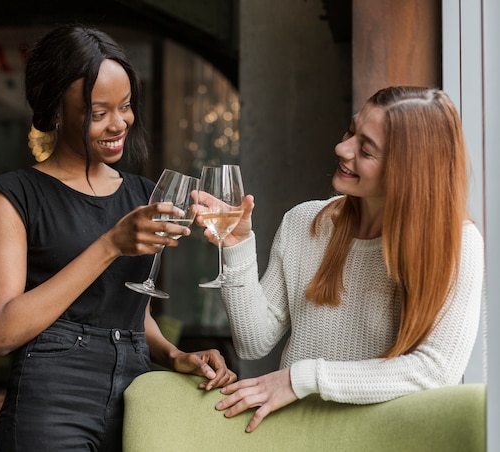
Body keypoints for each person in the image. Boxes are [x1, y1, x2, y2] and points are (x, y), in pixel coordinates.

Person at [0, 24, 236, 451]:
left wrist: (174, 356)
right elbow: (2, 332)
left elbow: (132, 312)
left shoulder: (142, 193)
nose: (119, 124)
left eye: (127, 107)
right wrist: (110, 245)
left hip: (136, 394)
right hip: (52, 401)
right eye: (99, 113)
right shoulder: (15, 196)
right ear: (56, 112)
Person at [197, 86, 485, 432]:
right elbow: (252, 342)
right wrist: (237, 245)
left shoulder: (457, 244)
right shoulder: (304, 222)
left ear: (407, 173)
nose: (341, 148)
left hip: (381, 440)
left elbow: (435, 369)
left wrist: (300, 379)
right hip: (293, 435)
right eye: (351, 131)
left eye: (365, 150)